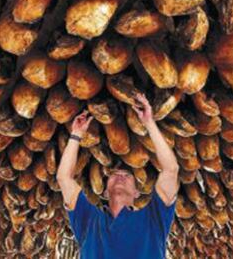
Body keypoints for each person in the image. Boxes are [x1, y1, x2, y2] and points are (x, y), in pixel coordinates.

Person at [57, 93, 180, 259]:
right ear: (105, 192)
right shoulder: (88, 220)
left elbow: (171, 170)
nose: (121, 176)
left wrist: (149, 123)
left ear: (137, 193)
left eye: (127, 175)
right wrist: (76, 135)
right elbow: (64, 178)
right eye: (114, 175)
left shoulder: (153, 218)